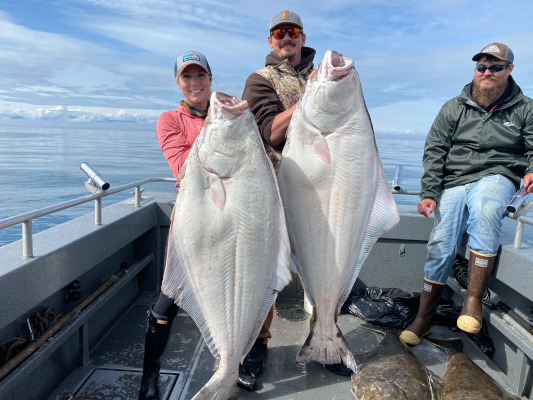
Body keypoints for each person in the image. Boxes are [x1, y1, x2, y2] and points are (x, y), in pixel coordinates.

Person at [242, 10, 354, 377]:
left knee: (330, 268)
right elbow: (270, 133)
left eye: (292, 32)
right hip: (273, 194)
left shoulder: (323, 76)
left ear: (303, 37)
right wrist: (315, 101)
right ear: (270, 41)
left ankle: (325, 338)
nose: (285, 37)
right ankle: (256, 346)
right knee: (262, 277)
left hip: (327, 195)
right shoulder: (260, 80)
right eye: (278, 32)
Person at [400, 43, 533, 346]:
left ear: (509, 70)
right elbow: (435, 151)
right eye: (481, 67)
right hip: (455, 181)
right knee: (442, 237)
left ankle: (472, 301)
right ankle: (424, 317)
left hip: (498, 176)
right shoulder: (453, 107)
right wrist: (429, 192)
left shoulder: (526, 108)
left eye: (495, 67)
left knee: (487, 208)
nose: (487, 72)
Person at [138, 50, 212, 400]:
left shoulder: (230, 113)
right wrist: (223, 131)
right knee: (171, 293)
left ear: (210, 79)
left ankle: (236, 364)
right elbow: (182, 166)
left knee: (228, 289)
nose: (195, 83)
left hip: (233, 216)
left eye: (200, 75)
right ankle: (148, 378)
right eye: (187, 77)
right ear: (178, 83)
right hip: (193, 215)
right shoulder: (169, 119)